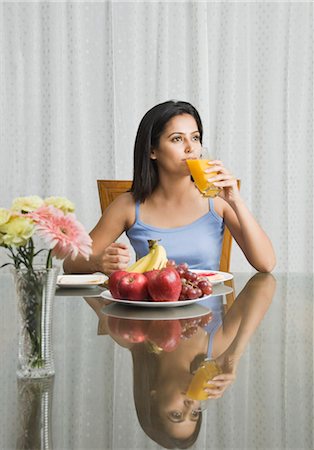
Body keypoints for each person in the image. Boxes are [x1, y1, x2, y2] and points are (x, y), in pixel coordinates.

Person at [63, 100, 276, 275]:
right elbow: (70, 264)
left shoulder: (218, 200)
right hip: (149, 319)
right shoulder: (127, 206)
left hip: (208, 319)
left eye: (195, 137)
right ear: (152, 151)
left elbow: (266, 264)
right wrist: (96, 263)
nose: (190, 148)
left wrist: (236, 202)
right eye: (177, 139)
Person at [85, 272, 276, 448]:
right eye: (194, 414)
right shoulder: (216, 346)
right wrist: (234, 355)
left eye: (176, 415)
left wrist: (105, 263)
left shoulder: (131, 338)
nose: (190, 406)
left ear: (153, 398)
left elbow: (89, 284)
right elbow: (265, 284)